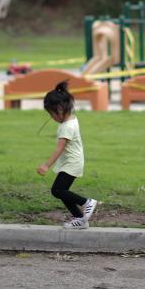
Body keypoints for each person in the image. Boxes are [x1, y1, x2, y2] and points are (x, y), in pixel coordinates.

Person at [37, 81, 99, 229]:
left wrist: (46, 165)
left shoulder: (67, 127)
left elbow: (59, 148)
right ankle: (80, 220)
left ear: (60, 109)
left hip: (72, 163)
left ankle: (86, 202)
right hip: (71, 161)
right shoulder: (72, 119)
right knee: (62, 191)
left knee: (57, 190)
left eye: (51, 114)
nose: (52, 118)